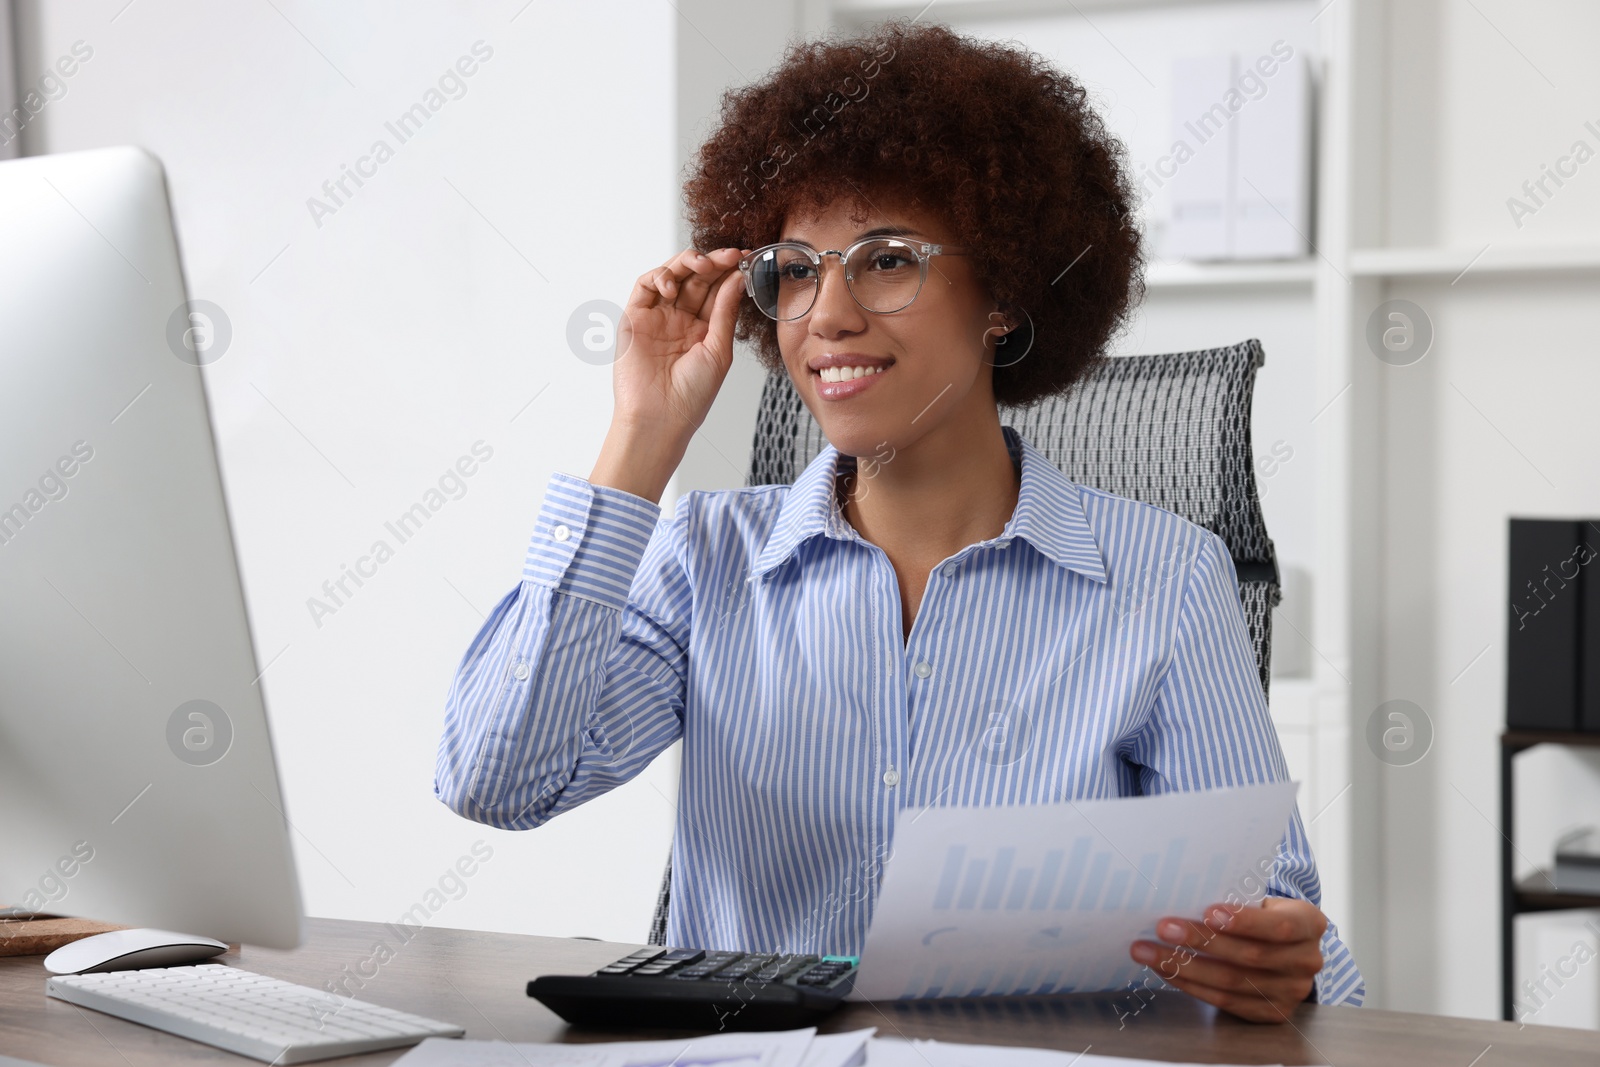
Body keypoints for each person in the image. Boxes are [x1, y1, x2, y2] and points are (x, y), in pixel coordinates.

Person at [435, 19, 1363, 1022]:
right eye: (793, 269)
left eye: (884, 262)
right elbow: (496, 779)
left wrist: (1277, 956)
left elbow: (1285, 925)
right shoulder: (705, 556)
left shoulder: (1165, 576)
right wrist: (639, 441)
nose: (826, 313)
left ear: (1002, 295)